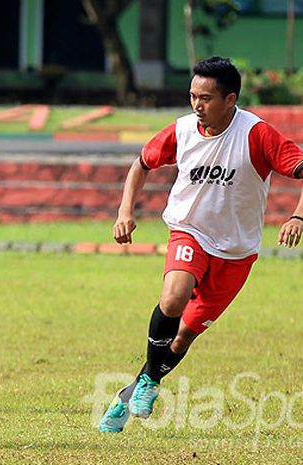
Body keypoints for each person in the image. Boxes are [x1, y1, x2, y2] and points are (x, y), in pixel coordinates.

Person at [98, 56, 303, 433]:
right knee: (174, 296)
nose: (197, 105)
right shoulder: (182, 130)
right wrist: (125, 210)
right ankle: (146, 384)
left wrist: (297, 216)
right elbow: (141, 164)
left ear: (230, 99)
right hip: (189, 231)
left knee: (182, 336)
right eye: (192, 96)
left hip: (237, 251)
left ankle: (141, 385)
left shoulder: (256, 134)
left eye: (205, 98)